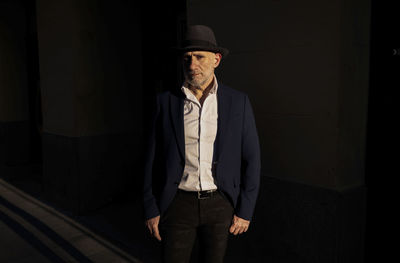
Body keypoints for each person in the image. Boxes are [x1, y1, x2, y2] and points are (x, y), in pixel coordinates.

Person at [143, 25, 261, 263]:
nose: (192, 65)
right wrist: (150, 207)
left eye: (199, 57)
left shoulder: (237, 102)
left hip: (220, 204)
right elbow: (150, 159)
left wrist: (245, 210)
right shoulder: (165, 102)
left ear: (216, 60)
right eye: (187, 58)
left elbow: (252, 159)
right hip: (177, 205)